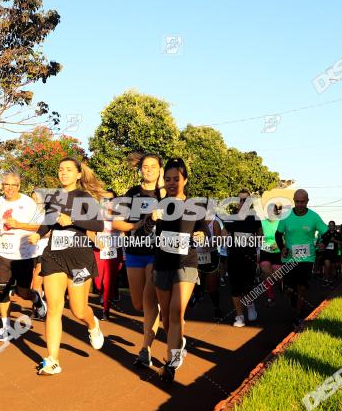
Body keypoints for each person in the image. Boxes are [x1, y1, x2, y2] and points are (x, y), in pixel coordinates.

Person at [33, 158, 108, 375]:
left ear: (78, 174)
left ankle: (92, 323)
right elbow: (48, 222)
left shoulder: (85, 198)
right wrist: (37, 235)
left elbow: (98, 225)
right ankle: (53, 360)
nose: (63, 173)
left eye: (68, 169)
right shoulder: (54, 197)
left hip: (79, 258)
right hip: (54, 256)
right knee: (54, 309)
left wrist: (73, 220)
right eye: (60, 169)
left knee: (77, 309)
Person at [146, 159, 209, 382]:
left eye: (176, 179)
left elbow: (203, 228)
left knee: (175, 312)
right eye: (168, 179)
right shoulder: (159, 205)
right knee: (166, 316)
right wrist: (151, 221)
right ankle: (178, 342)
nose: (171, 183)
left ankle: (170, 363)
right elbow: (144, 231)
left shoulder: (195, 206)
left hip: (186, 263)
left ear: (185, 180)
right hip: (162, 263)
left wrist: (201, 235)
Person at [112, 153, 164, 369]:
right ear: (140, 169)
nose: (149, 170)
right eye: (145, 166)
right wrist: (138, 226)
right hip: (134, 251)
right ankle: (160, 308)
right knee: (137, 304)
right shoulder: (131, 194)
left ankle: (146, 349)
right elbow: (117, 223)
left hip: (157, 251)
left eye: (153, 166)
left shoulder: (166, 195)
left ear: (160, 169)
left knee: (149, 301)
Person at [0, 173, 46, 339]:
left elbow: (41, 226)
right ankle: (5, 327)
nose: (9, 188)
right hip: (3, 254)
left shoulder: (28, 203)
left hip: (23, 255)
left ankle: (36, 298)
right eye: (6, 184)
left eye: (13, 185)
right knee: (3, 290)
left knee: (23, 292)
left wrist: (19, 225)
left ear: (18, 186)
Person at [276, 189, 327, 328]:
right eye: (297, 201)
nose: (299, 204)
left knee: (302, 286)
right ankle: (293, 296)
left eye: (302, 202)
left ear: (307, 201)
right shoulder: (286, 216)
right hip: (289, 259)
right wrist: (282, 248)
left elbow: (327, 232)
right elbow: (278, 234)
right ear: (294, 201)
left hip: (307, 258)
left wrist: (324, 243)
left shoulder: (314, 217)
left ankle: (298, 315)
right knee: (289, 289)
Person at [223, 190, 262, 327]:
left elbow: (260, 235)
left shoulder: (255, 218)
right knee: (235, 288)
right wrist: (225, 239)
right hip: (234, 256)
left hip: (249, 257)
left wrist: (257, 245)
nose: (242, 203)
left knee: (248, 287)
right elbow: (223, 234)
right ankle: (239, 316)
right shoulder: (231, 218)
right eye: (240, 200)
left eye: (246, 200)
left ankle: (250, 306)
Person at [93, 192, 123, 321]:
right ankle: (102, 292)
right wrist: (95, 240)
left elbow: (124, 232)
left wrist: (122, 241)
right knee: (98, 282)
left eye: (111, 199)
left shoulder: (120, 216)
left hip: (114, 251)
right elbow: (90, 231)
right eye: (104, 199)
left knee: (108, 282)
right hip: (99, 250)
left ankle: (106, 310)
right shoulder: (96, 215)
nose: (107, 202)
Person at [259, 202, 284, 307]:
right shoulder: (262, 223)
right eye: (268, 211)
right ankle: (270, 296)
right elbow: (258, 237)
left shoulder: (280, 223)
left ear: (276, 211)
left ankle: (281, 285)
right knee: (265, 269)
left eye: (272, 210)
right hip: (265, 251)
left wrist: (278, 246)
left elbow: (286, 238)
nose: (271, 213)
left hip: (278, 252)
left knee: (277, 273)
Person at [319, 221, 342, 287]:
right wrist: (321, 245)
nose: (331, 227)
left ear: (334, 226)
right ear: (328, 226)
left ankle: (330, 281)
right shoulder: (325, 234)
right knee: (327, 266)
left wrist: (334, 240)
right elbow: (321, 243)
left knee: (332, 268)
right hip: (326, 253)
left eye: (332, 225)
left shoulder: (337, 234)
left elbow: (341, 243)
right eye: (330, 225)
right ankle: (326, 280)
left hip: (334, 253)